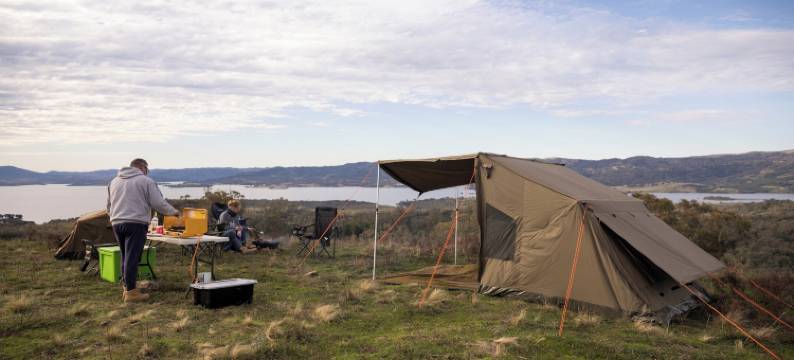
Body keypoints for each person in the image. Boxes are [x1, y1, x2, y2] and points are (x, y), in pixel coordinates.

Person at [107, 158, 180, 302]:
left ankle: (127, 288)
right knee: (133, 257)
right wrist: (174, 212)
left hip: (116, 222)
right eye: (147, 169)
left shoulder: (114, 181)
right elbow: (158, 202)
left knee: (125, 256)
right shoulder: (145, 181)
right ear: (143, 167)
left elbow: (109, 206)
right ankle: (131, 294)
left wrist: (116, 217)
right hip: (136, 223)